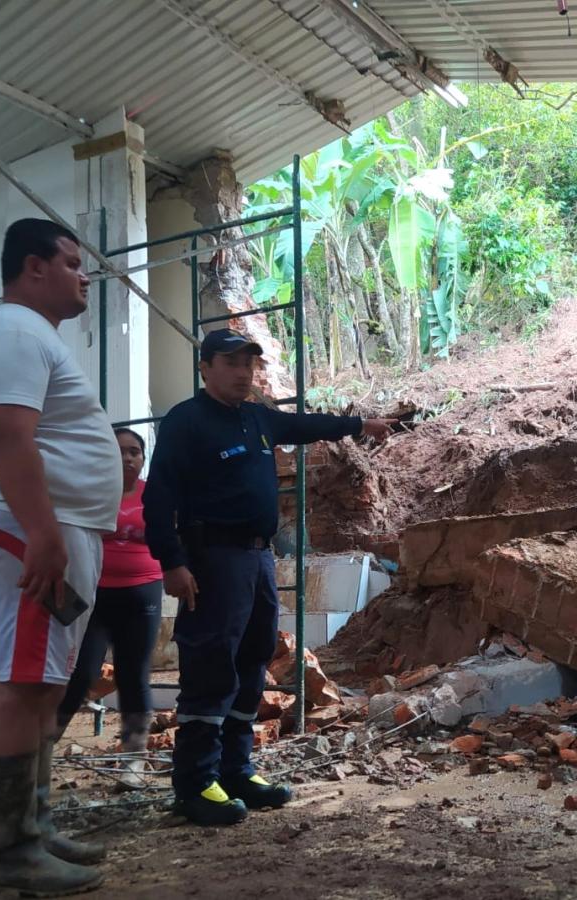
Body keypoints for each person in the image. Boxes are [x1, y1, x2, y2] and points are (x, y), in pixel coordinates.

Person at [143, 328, 395, 826]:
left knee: (253, 658)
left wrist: (360, 423)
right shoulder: (186, 422)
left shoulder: (256, 418)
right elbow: (158, 499)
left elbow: (304, 425)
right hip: (212, 558)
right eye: (231, 363)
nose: (243, 373)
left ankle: (236, 771)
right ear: (206, 368)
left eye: (248, 364)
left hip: (258, 560)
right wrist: (171, 562)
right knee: (212, 663)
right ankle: (195, 784)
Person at [0, 219, 121, 896]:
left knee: (44, 686)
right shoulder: (13, 330)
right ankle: (11, 854)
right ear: (35, 267)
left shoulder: (33, 335)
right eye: (74, 263)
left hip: (54, 528)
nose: (85, 276)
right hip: (27, 531)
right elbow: (8, 435)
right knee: (22, 687)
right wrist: (43, 532)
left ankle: (35, 824)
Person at [55, 428, 164, 784]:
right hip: (92, 597)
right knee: (80, 674)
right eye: (119, 451)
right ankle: (39, 752)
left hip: (142, 594)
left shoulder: (155, 495)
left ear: (143, 458)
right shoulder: (88, 495)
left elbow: (173, 539)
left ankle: (133, 759)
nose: (128, 458)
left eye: (135, 451)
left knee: (133, 675)